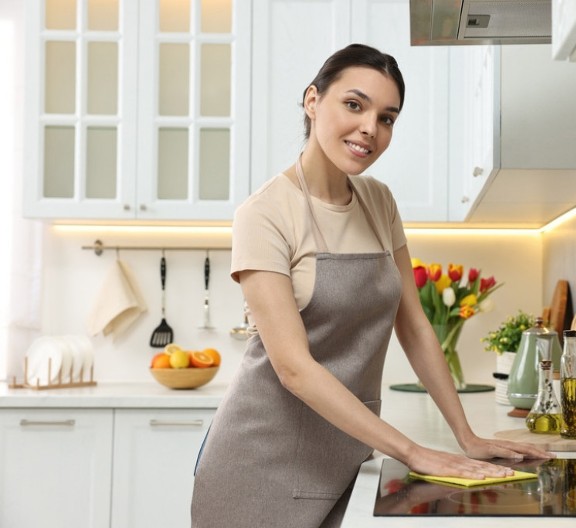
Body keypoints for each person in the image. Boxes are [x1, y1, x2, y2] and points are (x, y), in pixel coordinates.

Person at [191, 43, 551, 528]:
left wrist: (466, 435)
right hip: (260, 466)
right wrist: (411, 450)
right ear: (313, 101)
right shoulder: (264, 215)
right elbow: (294, 368)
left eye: (387, 118)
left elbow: (415, 324)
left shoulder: (378, 201)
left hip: (346, 453)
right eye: (355, 105)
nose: (370, 129)